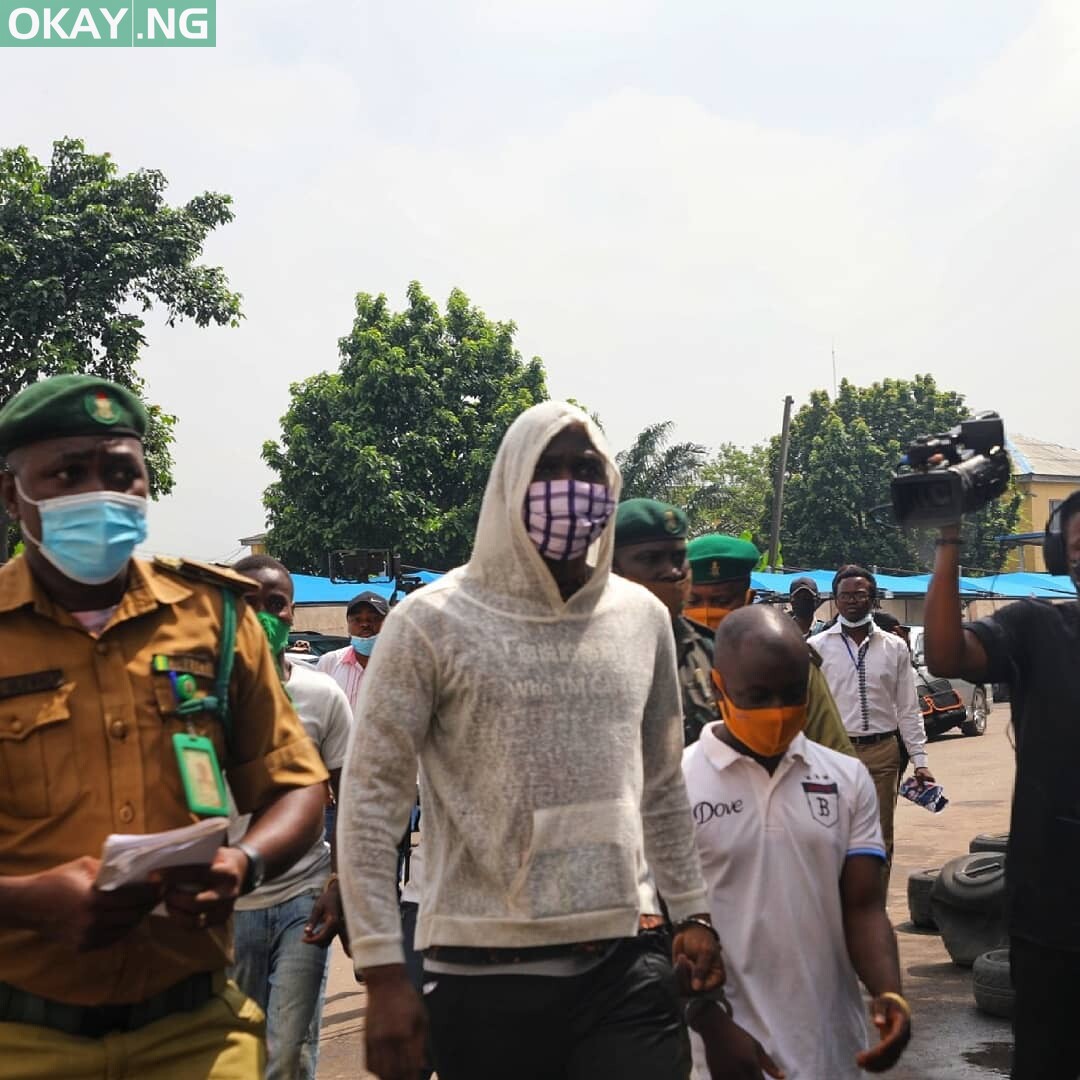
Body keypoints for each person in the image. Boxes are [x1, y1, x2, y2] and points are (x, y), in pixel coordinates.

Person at [339, 401, 723, 1080]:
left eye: (587, 468)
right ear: (508, 481)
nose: (571, 486)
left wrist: (692, 912)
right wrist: (381, 970)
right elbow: (371, 803)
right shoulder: (430, 623)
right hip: (482, 971)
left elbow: (662, 782)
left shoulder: (641, 620)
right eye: (548, 468)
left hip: (625, 961)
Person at [0, 374, 328, 1078]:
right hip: (20, 1034)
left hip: (197, 1034)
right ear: (11, 496)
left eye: (122, 473)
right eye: (68, 473)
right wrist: (25, 902)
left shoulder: (216, 618)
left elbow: (296, 785)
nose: (101, 493)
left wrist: (244, 864)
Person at [683, 605, 911, 1079]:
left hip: (830, 1050)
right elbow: (660, 927)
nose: (777, 712)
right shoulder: (674, 785)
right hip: (722, 1055)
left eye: (792, 694)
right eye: (757, 696)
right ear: (719, 687)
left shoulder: (846, 778)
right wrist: (707, 1022)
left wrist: (890, 993)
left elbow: (864, 908)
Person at [924, 502, 1080, 1079]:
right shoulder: (1037, 626)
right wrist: (949, 538)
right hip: (1054, 906)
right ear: (1062, 554)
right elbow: (945, 654)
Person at [228, 554, 353, 1080]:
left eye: (275, 604)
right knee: (235, 1053)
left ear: (292, 613)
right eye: (249, 604)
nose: (263, 616)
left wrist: (340, 882)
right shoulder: (194, 700)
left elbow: (348, 795)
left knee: (288, 1053)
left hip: (301, 898)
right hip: (226, 905)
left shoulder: (321, 696)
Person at [810, 565, 934, 880]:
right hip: (834, 754)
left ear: (872, 599)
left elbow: (908, 707)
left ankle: (873, 915)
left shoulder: (895, 648)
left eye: (859, 595)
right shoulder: (817, 648)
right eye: (845, 596)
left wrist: (919, 760)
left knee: (878, 840)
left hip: (883, 754)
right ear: (835, 600)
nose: (852, 601)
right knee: (833, 838)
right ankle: (839, 918)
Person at [682, 533, 855, 755]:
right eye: (694, 601)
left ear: (748, 598)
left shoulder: (788, 662)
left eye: (721, 601)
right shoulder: (670, 661)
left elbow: (834, 749)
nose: (706, 612)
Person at [315, 589, 388, 714]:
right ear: (348, 624)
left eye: (374, 618)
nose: (365, 624)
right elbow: (317, 710)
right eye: (357, 619)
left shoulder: (402, 665)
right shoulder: (329, 662)